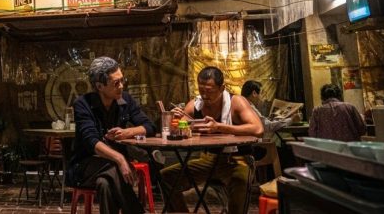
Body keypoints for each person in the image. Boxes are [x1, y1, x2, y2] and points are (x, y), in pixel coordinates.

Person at [162, 66, 263, 214]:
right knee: (166, 178)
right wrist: (175, 120)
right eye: (201, 90)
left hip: (238, 159)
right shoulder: (196, 105)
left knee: (240, 183)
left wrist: (220, 127)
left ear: (222, 88)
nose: (204, 95)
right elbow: (178, 129)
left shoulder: (236, 102)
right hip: (209, 158)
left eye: (209, 91)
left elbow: (258, 130)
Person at [67, 56, 155, 214]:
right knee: (114, 167)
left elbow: (150, 126)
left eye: (122, 80)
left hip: (110, 169)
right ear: (99, 86)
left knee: (105, 184)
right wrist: (120, 159)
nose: (121, 86)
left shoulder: (125, 100)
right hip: (86, 166)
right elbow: (91, 142)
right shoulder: (83, 104)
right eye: (116, 83)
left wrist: (129, 132)